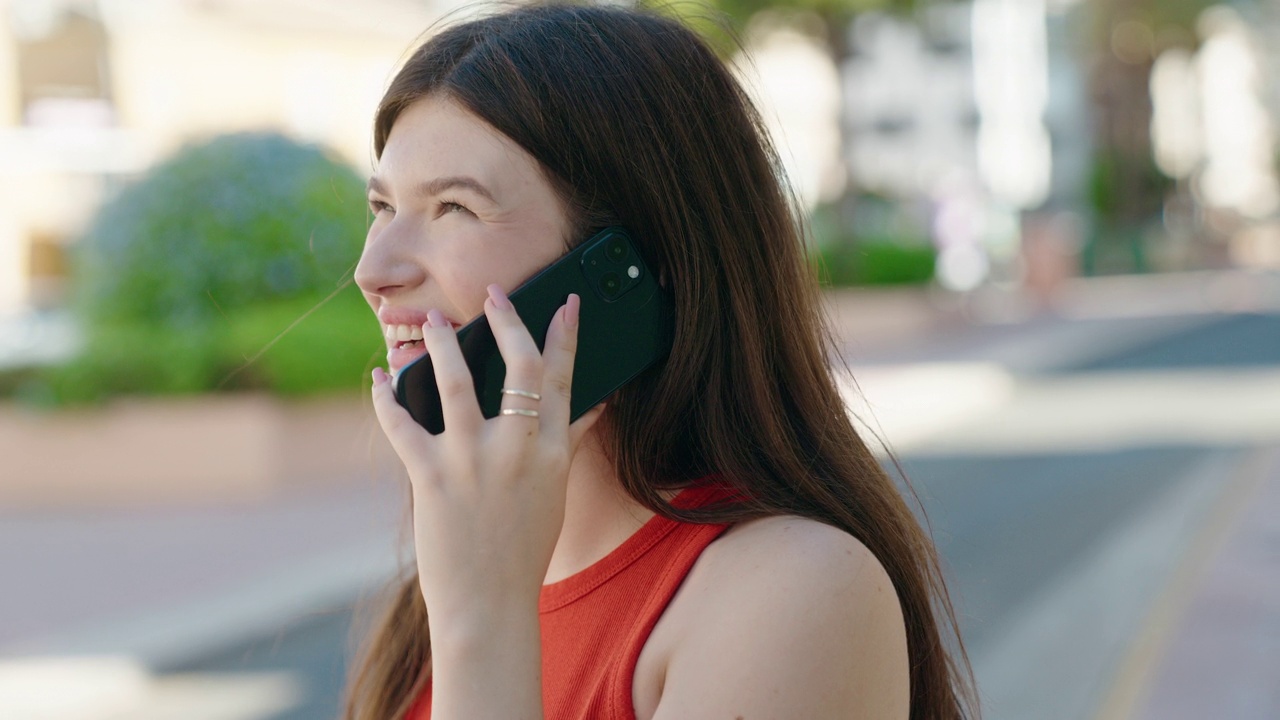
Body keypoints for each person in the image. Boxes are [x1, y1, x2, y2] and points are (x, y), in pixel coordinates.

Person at [347, 3, 977, 719]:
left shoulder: (793, 590)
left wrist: (481, 624)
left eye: (454, 208)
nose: (374, 269)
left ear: (634, 266)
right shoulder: (462, 567)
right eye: (383, 206)